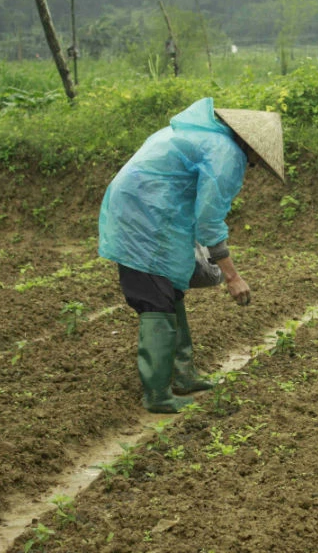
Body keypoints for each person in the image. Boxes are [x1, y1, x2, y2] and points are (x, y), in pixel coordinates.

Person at [98, 97, 284, 413]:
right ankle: (157, 394)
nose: (253, 165)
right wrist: (232, 276)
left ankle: (183, 376)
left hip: (149, 207)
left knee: (169, 288)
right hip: (144, 213)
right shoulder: (226, 154)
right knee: (155, 297)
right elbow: (209, 220)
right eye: (256, 161)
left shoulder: (206, 136)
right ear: (251, 147)